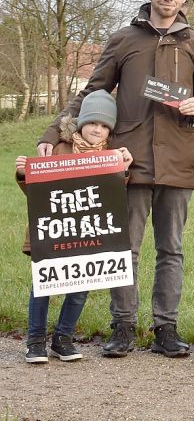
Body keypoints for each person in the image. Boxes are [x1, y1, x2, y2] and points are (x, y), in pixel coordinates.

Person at [37, 0, 194, 359]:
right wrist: (53, 133)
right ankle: (122, 326)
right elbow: (92, 92)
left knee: (171, 249)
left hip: (178, 161)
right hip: (127, 161)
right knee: (125, 249)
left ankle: (166, 328)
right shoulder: (124, 39)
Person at [17, 90, 133, 363]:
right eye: (93, 122)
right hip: (54, 233)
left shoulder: (111, 156)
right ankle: (35, 341)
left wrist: (124, 171)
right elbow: (40, 194)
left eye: (105, 126)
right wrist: (24, 175)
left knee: (80, 287)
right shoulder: (58, 149)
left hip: (89, 233)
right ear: (81, 123)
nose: (98, 129)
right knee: (43, 287)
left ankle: (63, 338)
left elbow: (113, 198)